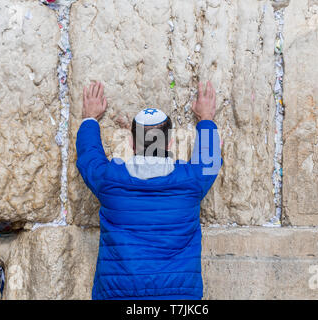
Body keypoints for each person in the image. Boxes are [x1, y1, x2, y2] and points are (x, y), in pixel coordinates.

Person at [76, 80, 222, 300]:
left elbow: (89, 157)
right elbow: (210, 160)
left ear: (132, 143)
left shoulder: (110, 181)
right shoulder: (190, 181)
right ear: (169, 143)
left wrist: (90, 118)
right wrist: (207, 118)